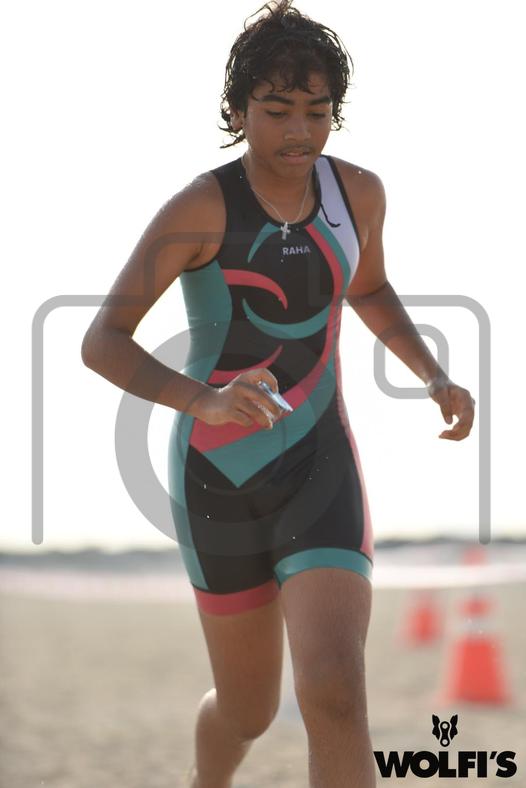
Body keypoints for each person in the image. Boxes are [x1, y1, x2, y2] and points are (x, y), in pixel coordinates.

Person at [81, 1, 476, 785]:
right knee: (248, 710)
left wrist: (431, 373)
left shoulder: (358, 195)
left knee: (334, 689)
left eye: (317, 111)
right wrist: (203, 400)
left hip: (321, 464)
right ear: (237, 111)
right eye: (277, 109)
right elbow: (103, 341)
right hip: (216, 478)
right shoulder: (201, 207)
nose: (300, 131)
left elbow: (369, 286)